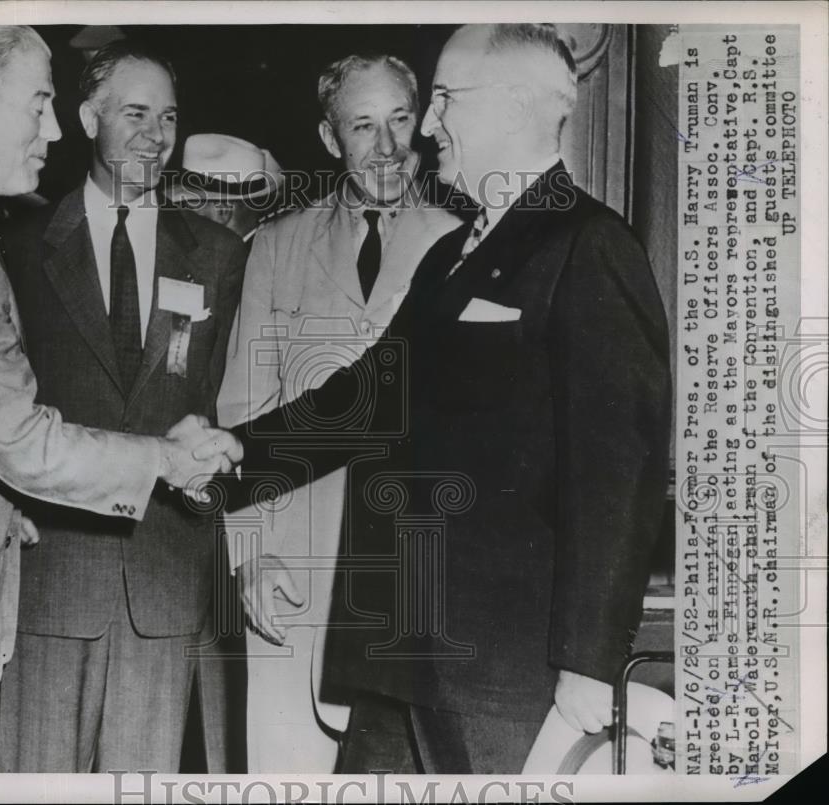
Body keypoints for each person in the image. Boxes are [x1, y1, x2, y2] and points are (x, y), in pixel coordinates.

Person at [221, 24, 671, 774]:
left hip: (499, 672)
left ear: (511, 108)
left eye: (442, 101)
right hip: (399, 659)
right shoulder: (449, 256)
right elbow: (371, 397)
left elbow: (617, 472)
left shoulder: (589, 244)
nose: (426, 128)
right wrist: (234, 455)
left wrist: (590, 660)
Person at [0, 25, 238, 773]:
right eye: (38, 106)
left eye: (168, 115)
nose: (51, 131)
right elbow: (19, 437)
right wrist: (165, 458)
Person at [0, 40, 248, 773]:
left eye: (168, 117)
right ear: (87, 119)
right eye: (135, 113)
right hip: (48, 579)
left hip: (165, 587)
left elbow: (223, 405)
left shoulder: (218, 254)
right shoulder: (16, 245)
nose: (155, 135)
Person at [215, 53, 460, 772]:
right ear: (329, 138)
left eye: (400, 120)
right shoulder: (277, 246)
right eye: (362, 125)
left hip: (414, 581)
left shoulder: (462, 244)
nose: (387, 146)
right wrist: (250, 553)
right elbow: (243, 409)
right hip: (292, 575)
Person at [170, 133, 284, 245]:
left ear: (222, 211)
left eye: (188, 208)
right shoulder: (272, 245)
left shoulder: (246, 256)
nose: (183, 217)